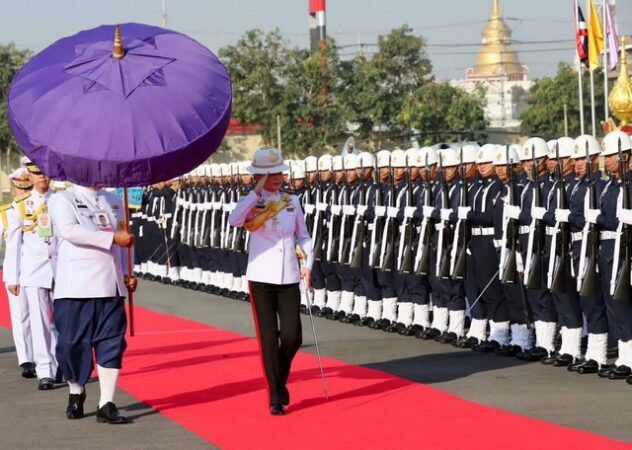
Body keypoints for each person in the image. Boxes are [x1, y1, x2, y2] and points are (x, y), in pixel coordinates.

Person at [228, 147, 313, 416]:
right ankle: (276, 396)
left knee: (292, 336)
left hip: (288, 275)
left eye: (279, 172)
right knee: (267, 339)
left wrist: (308, 265)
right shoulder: (251, 201)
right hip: (261, 277)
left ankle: (279, 375)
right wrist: (255, 193)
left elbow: (304, 237)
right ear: (260, 175)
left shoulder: (292, 201)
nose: (277, 177)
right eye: (271, 173)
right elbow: (234, 220)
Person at [48, 184, 136, 422]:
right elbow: (70, 231)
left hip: (110, 284)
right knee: (71, 345)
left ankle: (106, 403)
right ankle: (76, 390)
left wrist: (129, 271)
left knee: (112, 342)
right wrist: (112, 238)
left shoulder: (113, 199)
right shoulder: (62, 199)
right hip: (76, 286)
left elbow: (125, 237)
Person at [4, 158, 59, 390]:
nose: (42, 178)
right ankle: (45, 370)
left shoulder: (62, 201)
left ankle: (61, 364)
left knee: (61, 322)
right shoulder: (21, 206)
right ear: (31, 175)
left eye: (45, 173)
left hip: (61, 269)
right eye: (37, 174)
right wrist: (13, 276)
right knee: (39, 322)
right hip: (33, 270)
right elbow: (14, 243)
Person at [2, 168, 36, 379]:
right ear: (13, 189)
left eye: (27, 188)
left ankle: (49, 357)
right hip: (16, 270)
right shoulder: (5, 213)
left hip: (38, 269)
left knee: (45, 316)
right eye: (20, 188)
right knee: (21, 315)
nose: (23, 192)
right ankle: (26, 359)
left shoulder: (41, 208)